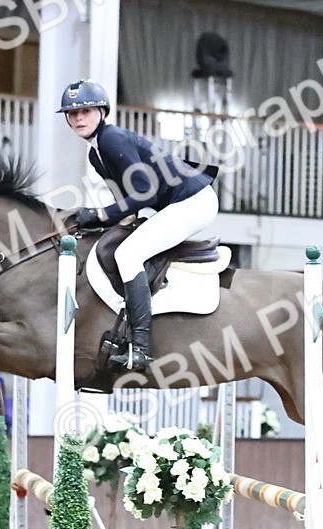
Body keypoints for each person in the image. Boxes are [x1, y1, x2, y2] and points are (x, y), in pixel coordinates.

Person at [59, 79, 218, 372]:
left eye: (86, 111)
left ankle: (141, 349)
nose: (78, 118)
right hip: (176, 202)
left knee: (128, 255)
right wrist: (92, 223)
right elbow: (127, 204)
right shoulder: (96, 154)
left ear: (102, 112)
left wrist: (99, 214)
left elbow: (145, 193)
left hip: (193, 201)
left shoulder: (111, 140)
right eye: (72, 114)